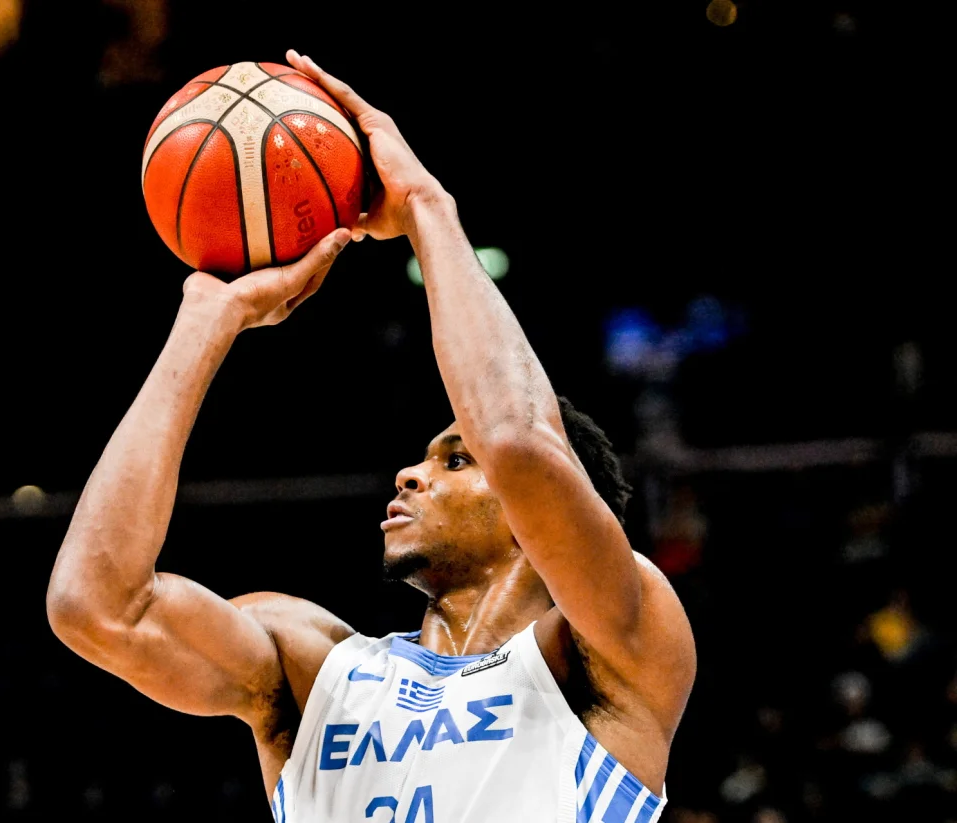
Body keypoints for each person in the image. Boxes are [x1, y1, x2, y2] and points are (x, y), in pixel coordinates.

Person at [47, 50, 696, 822]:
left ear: (542, 518)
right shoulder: (312, 666)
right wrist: (206, 321)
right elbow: (96, 607)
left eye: (455, 458)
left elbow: (520, 446)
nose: (409, 474)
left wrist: (425, 206)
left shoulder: (609, 651)